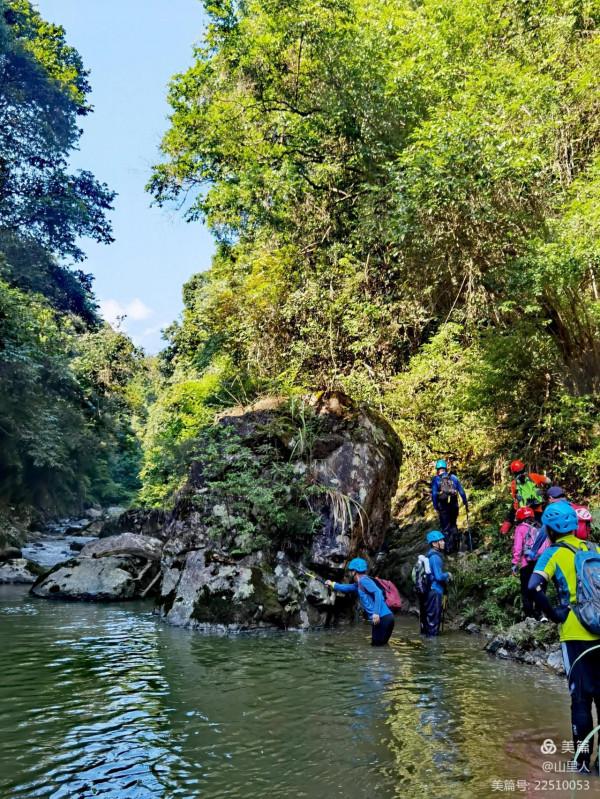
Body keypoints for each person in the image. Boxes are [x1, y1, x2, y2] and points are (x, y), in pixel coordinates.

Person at [528, 502, 600, 774]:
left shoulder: (553, 553)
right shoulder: (595, 550)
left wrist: (554, 613)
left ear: (548, 529)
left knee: (581, 700)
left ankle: (581, 765)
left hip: (574, 633)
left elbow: (533, 586)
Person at [326, 558, 394, 646]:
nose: (350, 573)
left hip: (381, 618)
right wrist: (332, 584)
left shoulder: (363, 580)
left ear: (354, 571)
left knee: (376, 649)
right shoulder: (359, 584)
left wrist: (376, 613)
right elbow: (347, 587)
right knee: (381, 648)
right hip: (386, 618)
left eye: (351, 571)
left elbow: (378, 592)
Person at [511, 506, 548, 619]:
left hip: (527, 563)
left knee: (526, 590)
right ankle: (540, 614)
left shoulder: (520, 528)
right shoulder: (540, 527)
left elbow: (517, 548)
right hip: (542, 563)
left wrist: (514, 563)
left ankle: (529, 616)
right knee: (540, 588)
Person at [499, 459, 550, 534]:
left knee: (511, 513)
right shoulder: (533, 476)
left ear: (513, 472)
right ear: (523, 468)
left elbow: (515, 497)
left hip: (523, 510)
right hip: (537, 507)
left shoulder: (514, 484)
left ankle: (504, 531)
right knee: (541, 525)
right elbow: (548, 481)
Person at [431, 460, 468, 554]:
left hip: (443, 508)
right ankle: (456, 546)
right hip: (454, 506)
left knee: (445, 528)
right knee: (453, 524)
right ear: (446, 468)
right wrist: (465, 503)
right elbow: (462, 492)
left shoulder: (436, 479)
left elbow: (434, 495)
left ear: (437, 469)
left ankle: (448, 549)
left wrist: (436, 507)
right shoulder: (453, 477)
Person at [423, 531, 452, 637]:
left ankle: (430, 642)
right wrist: (447, 574)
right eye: (441, 540)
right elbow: (439, 576)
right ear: (435, 543)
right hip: (435, 591)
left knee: (432, 619)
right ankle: (433, 647)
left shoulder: (431, 555)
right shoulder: (435, 557)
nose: (444, 542)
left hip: (432, 591)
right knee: (433, 622)